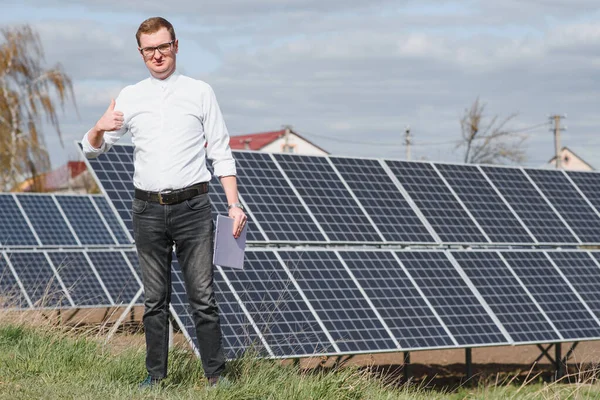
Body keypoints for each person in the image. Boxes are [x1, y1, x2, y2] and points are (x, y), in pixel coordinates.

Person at [81, 16, 246, 388]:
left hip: (193, 208)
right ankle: (155, 378)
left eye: (163, 46)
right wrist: (98, 126)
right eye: (149, 50)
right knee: (155, 301)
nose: (157, 55)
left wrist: (234, 205)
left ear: (176, 46)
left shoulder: (200, 92)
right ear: (141, 53)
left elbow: (221, 152)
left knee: (202, 297)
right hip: (148, 210)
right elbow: (94, 149)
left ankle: (216, 378)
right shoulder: (130, 96)